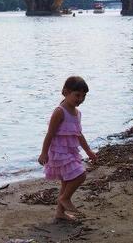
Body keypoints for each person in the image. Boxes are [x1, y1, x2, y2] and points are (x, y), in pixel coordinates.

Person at [38, 76, 97, 221]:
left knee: (66, 181)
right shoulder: (60, 111)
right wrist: (44, 153)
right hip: (59, 152)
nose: (80, 99)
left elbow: (79, 134)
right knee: (80, 175)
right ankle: (64, 198)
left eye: (84, 96)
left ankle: (60, 212)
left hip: (70, 151)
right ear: (65, 92)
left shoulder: (77, 113)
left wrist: (88, 150)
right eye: (77, 95)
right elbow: (50, 134)